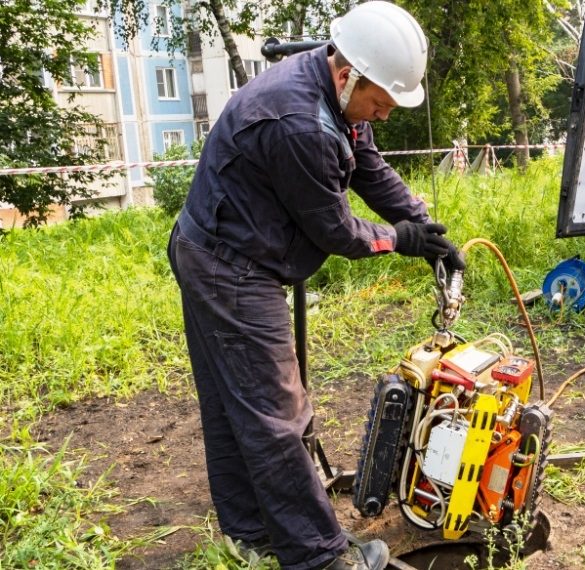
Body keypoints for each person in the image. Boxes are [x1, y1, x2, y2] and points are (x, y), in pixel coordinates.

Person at [166, 3, 463, 569]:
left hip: (218, 249)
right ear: (349, 73)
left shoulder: (337, 91)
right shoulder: (298, 123)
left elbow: (368, 164)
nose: (385, 113)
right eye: (381, 101)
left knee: (238, 405)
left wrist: (422, 223)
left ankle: (251, 534)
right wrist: (400, 240)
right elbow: (333, 229)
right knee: (277, 415)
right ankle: (321, 558)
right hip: (230, 269)